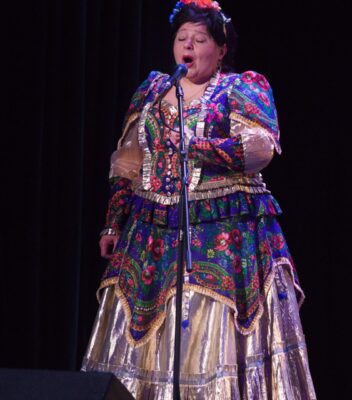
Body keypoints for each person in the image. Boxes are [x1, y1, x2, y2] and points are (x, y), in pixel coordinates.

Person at [81, 1, 316, 398]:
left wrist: (199, 147)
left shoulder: (241, 88)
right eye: (182, 38)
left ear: (221, 49)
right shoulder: (153, 90)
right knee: (146, 327)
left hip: (222, 225)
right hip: (151, 229)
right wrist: (113, 221)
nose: (188, 46)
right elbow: (128, 161)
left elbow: (260, 148)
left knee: (209, 325)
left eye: (200, 39)